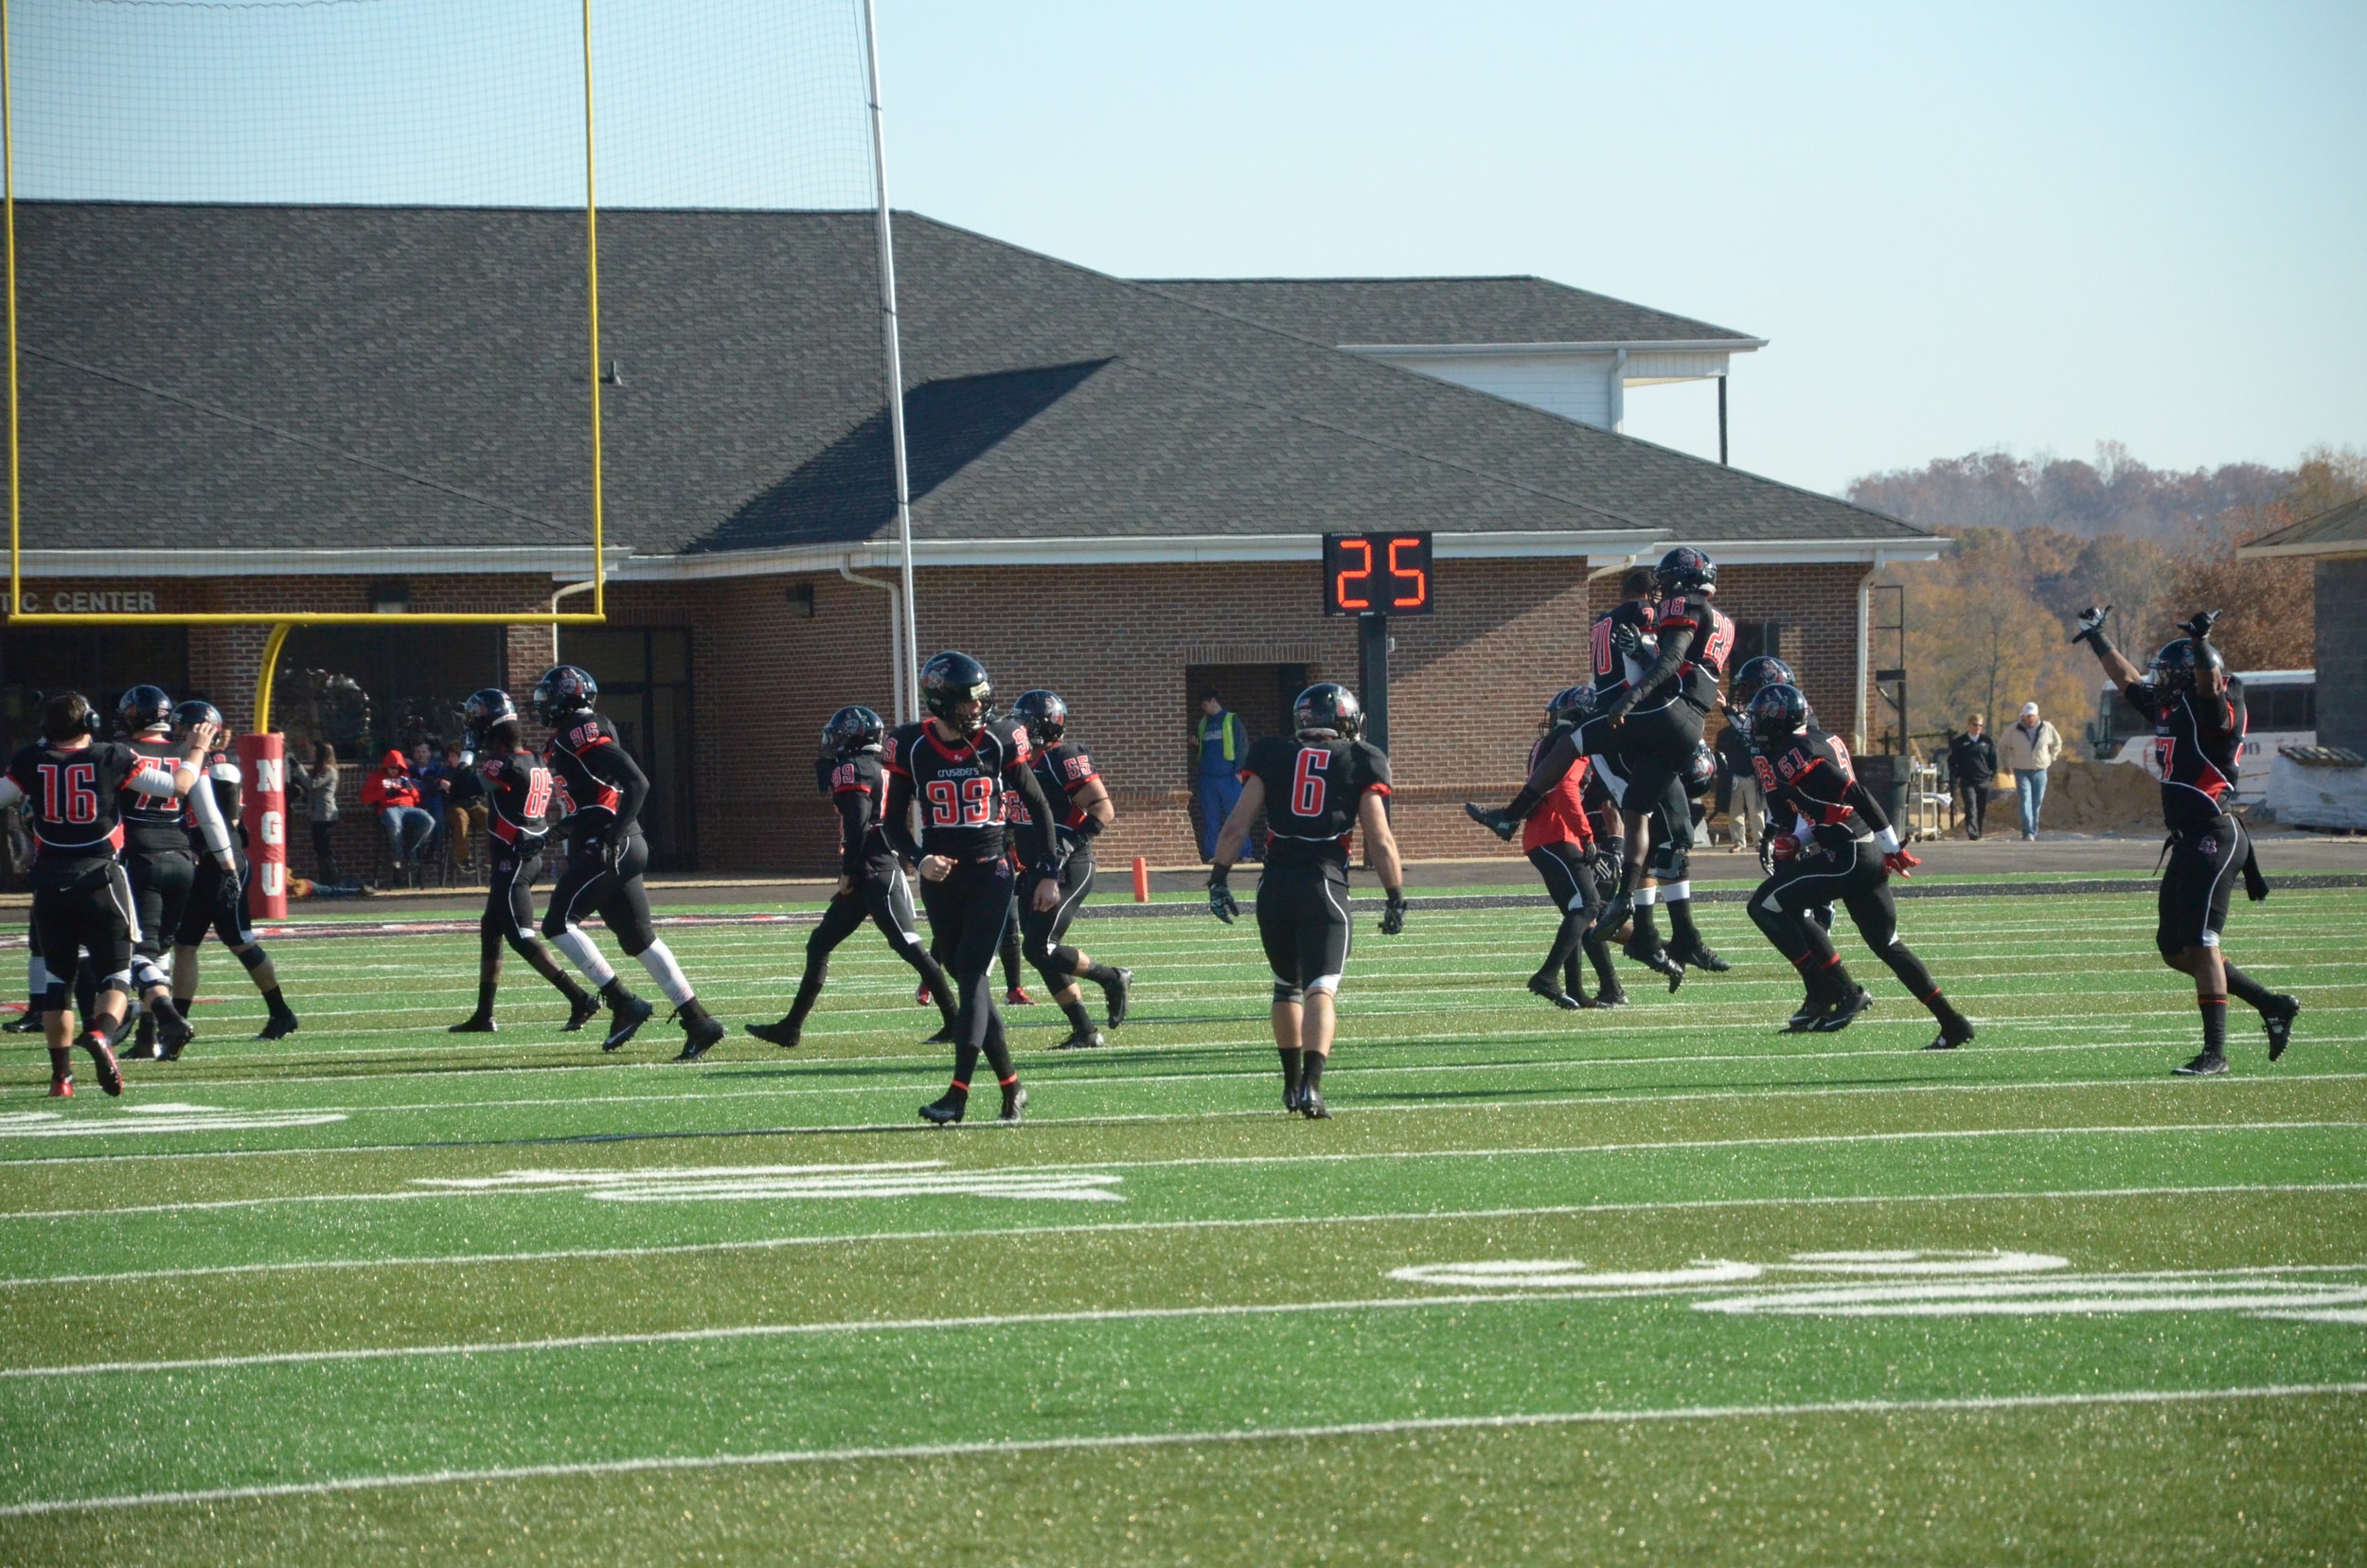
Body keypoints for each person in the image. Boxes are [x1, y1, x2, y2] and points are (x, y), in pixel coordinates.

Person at [2073, 606, 2298, 1075]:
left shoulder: (2215, 707)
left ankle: (2216, 1053)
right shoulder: (2170, 707)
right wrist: (2096, 637)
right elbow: (2127, 677)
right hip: (2189, 837)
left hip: (2213, 835)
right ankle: (2271, 1004)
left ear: (2189, 673)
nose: (2159, 680)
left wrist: (2199, 645)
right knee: (2175, 949)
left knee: (2202, 941)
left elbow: (2211, 685)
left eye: (2169, 674)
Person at [881, 651, 1065, 1125]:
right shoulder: (911, 746)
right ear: (943, 703)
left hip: (992, 873)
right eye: (968, 702)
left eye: (980, 700)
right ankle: (1012, 1088)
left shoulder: (1000, 739)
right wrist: (919, 858)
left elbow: (1040, 806)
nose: (978, 709)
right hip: (941, 879)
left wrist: (1047, 871)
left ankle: (957, 1095)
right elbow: (891, 822)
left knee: (971, 977)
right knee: (973, 983)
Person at [1, 692, 215, 1096]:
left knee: (56, 981)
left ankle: (61, 1078)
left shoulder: (29, 761)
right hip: (102, 878)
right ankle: (101, 1034)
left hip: (49, 883)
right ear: (91, 723)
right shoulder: (111, 756)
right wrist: (198, 748)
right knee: (117, 974)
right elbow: (177, 786)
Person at [1207, 682, 1405, 1118]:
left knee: (1285, 986)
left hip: (1273, 886)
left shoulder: (1272, 753)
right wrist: (1395, 895)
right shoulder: (1362, 758)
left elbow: (1237, 826)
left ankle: (1290, 1084)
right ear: (1346, 720)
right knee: (1321, 988)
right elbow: (1380, 836)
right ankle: (1312, 1088)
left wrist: (1218, 879)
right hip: (1324, 884)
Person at [1742, 684, 1976, 1049]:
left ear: (1780, 718)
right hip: (1859, 851)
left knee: (1766, 904)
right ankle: (1952, 1021)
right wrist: (1801, 840)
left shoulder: (1795, 752)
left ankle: (1832, 988)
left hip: (1849, 854)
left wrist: (1892, 844)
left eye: (1761, 716)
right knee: (1887, 944)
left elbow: (1855, 794)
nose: (1756, 723)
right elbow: (1829, 808)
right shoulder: (1816, 739)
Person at [534, 665, 726, 1060]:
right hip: (613, 840)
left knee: (557, 923)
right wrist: (550, 836)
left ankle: (622, 1001)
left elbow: (636, 782)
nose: (542, 704)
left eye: (549, 695)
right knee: (639, 939)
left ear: (567, 698)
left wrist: (615, 834)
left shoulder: (580, 730)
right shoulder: (566, 738)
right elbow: (591, 802)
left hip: (613, 843)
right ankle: (699, 1022)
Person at [746, 705, 960, 1051]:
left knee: (912, 949)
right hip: (871, 870)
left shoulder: (853, 768)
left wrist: (847, 873)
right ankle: (790, 1028)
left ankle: (956, 1021)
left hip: (873, 871)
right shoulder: (879, 767)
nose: (833, 741)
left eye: (839, 734)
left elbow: (859, 825)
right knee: (819, 944)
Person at [1596, 550, 1735, 979]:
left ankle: (1666, 934)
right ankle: (1652, 930)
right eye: (1654, 595)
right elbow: (1663, 660)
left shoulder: (1663, 616)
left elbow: (1670, 658)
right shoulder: (1648, 615)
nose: (1660, 601)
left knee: (1670, 839)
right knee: (1664, 832)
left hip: (1645, 724)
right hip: (1632, 728)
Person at [445, 689, 600, 1035]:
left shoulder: (503, 764)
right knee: (492, 929)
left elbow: (459, 789)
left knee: (521, 936)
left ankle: (580, 998)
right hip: (526, 853)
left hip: (513, 859)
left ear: (489, 731)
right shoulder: (533, 760)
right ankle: (484, 1014)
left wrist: (468, 751)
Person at [1465, 685, 1621, 1009]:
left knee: (1576, 911)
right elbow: (1564, 789)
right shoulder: (1574, 743)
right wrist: (1587, 834)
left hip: (1542, 837)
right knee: (1589, 906)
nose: (1554, 720)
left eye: (1559, 714)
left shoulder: (1545, 744)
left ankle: (1576, 990)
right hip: (1557, 834)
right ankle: (1548, 976)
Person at [169, 704, 302, 1043]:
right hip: (199, 864)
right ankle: (177, 1023)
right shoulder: (187, 765)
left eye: (183, 728)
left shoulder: (218, 768)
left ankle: (281, 1012)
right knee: (184, 945)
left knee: (240, 942)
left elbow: (225, 826)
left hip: (221, 864)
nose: (177, 734)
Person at [1008, 689, 1133, 1050]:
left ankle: (1112, 978)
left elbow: (1102, 808)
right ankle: (1085, 1031)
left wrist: (1061, 851)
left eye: (1027, 723)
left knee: (1040, 946)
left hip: (1067, 866)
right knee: (1038, 951)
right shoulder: (1019, 763)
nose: (1020, 729)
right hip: (1034, 868)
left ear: (1046, 727)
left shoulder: (1062, 756)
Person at [115, 686, 202, 1060]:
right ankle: (147, 1037)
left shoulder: (121, 754)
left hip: (142, 857)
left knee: (137, 950)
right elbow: (208, 812)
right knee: (160, 950)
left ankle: (164, 1021)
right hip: (183, 857)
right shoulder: (186, 752)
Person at [1191, 691, 1249, 862]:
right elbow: (1204, 748)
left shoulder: (1231, 720)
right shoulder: (1203, 723)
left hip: (1229, 776)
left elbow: (1241, 744)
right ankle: (1212, 854)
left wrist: (1240, 770)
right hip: (1208, 777)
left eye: (1205, 705)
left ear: (1213, 701)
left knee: (1237, 816)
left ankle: (1244, 853)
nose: (1204, 709)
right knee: (1211, 818)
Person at [363, 747, 434, 873]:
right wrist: (384, 792)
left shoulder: (405, 777)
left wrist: (411, 789)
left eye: (397, 768)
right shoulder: (376, 777)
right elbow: (365, 798)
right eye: (391, 767)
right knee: (395, 825)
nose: (394, 771)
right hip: (389, 808)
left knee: (429, 821)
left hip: (408, 808)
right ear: (386, 767)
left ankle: (411, 850)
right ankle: (398, 855)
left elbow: (417, 799)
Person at [1999, 701, 2061, 841]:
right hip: (2021, 770)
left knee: (2037, 801)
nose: (2030, 719)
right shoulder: (2014, 729)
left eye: (2032, 716)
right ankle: (2027, 832)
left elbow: (2057, 743)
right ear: (2023, 716)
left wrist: (2051, 757)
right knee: (2025, 799)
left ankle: (2034, 830)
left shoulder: (2047, 727)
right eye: (2027, 716)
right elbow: (2002, 746)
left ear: (2037, 715)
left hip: (2040, 770)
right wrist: (2005, 764)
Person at [294, 742, 341, 883]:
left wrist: (299, 768)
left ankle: (332, 878)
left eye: (315, 751)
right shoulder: (321, 770)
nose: (312, 754)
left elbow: (312, 784)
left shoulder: (329, 771)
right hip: (317, 814)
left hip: (325, 814)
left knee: (324, 847)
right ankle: (325, 878)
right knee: (319, 847)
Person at [1947, 715, 1998, 840]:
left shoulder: (1987, 741)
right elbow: (1952, 761)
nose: (1977, 728)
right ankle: (1972, 832)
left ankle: (1978, 830)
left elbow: (1993, 760)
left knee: (1981, 807)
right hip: (1967, 780)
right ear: (1969, 725)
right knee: (1970, 806)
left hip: (1983, 780)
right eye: (1975, 725)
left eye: (1980, 725)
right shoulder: (1959, 742)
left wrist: (1991, 775)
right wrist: (1957, 776)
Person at [1714, 714, 1760, 853]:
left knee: (1755, 810)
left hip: (1751, 776)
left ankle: (1760, 841)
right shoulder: (1725, 734)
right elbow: (1719, 754)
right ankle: (1738, 842)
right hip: (1734, 777)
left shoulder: (1753, 732)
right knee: (1735, 811)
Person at [443, 740, 489, 872]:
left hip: (471, 804)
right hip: (453, 805)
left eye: (453, 756)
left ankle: (492, 858)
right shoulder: (446, 772)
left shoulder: (471, 772)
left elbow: (480, 792)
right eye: (449, 756)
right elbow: (435, 782)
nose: (450, 759)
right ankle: (464, 860)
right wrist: (440, 783)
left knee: (492, 818)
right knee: (461, 818)